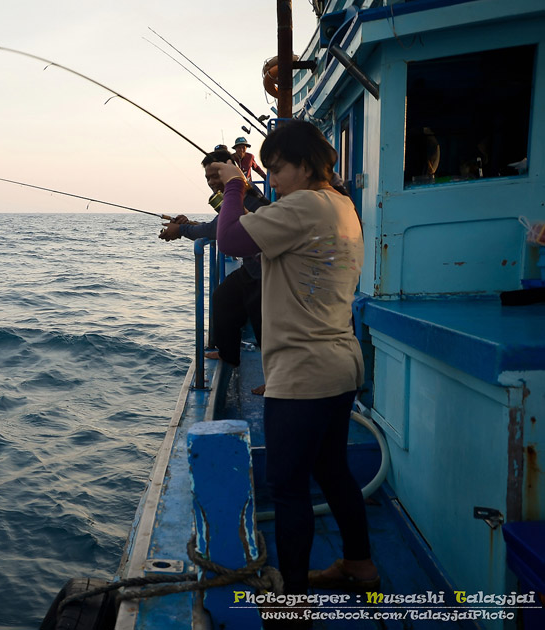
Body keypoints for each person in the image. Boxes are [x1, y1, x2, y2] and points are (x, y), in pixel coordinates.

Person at [213, 120, 377, 605]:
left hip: (303, 374)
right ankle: (359, 565)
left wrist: (234, 186)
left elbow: (231, 241)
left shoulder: (303, 205)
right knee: (332, 471)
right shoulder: (341, 206)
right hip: (340, 364)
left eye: (279, 169)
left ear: (305, 166)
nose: (274, 180)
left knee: (288, 489)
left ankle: (294, 601)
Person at [158, 150, 264, 376]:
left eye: (216, 175)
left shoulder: (247, 195)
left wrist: (182, 231)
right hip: (252, 267)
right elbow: (220, 224)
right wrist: (188, 225)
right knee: (223, 296)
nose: (212, 182)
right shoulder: (234, 197)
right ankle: (228, 353)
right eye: (208, 178)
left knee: (262, 320)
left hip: (265, 272)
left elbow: (217, 230)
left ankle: (275, 378)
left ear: (231, 168)